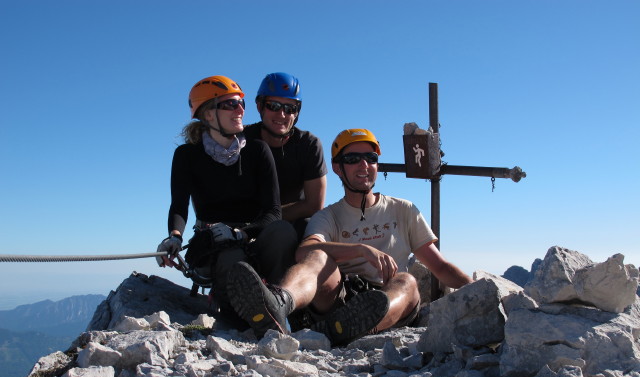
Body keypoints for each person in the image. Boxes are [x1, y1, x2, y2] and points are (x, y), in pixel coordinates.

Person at [227, 128, 473, 345]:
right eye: (353, 159)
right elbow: (305, 252)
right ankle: (279, 304)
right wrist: (360, 250)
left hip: (389, 295)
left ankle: (349, 329)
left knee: (407, 281)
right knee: (319, 257)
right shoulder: (328, 216)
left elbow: (439, 266)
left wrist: (478, 291)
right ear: (337, 167)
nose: (364, 165)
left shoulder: (403, 209)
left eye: (371, 158)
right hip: (341, 300)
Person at [156, 75, 297, 324]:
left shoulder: (257, 150)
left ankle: (273, 305)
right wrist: (174, 237)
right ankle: (247, 317)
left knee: (283, 231)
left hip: (252, 237)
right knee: (232, 260)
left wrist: (240, 233)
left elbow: (273, 213)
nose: (240, 109)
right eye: (230, 104)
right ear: (208, 114)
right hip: (215, 245)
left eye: (240, 103)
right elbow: (179, 205)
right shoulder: (187, 155)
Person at [243, 72, 327, 240]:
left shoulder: (309, 145)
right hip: (243, 223)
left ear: (296, 113)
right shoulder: (240, 140)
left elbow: (314, 205)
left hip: (290, 224)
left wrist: (264, 221)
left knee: (308, 227)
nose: (281, 115)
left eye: (290, 108)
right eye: (273, 106)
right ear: (260, 106)